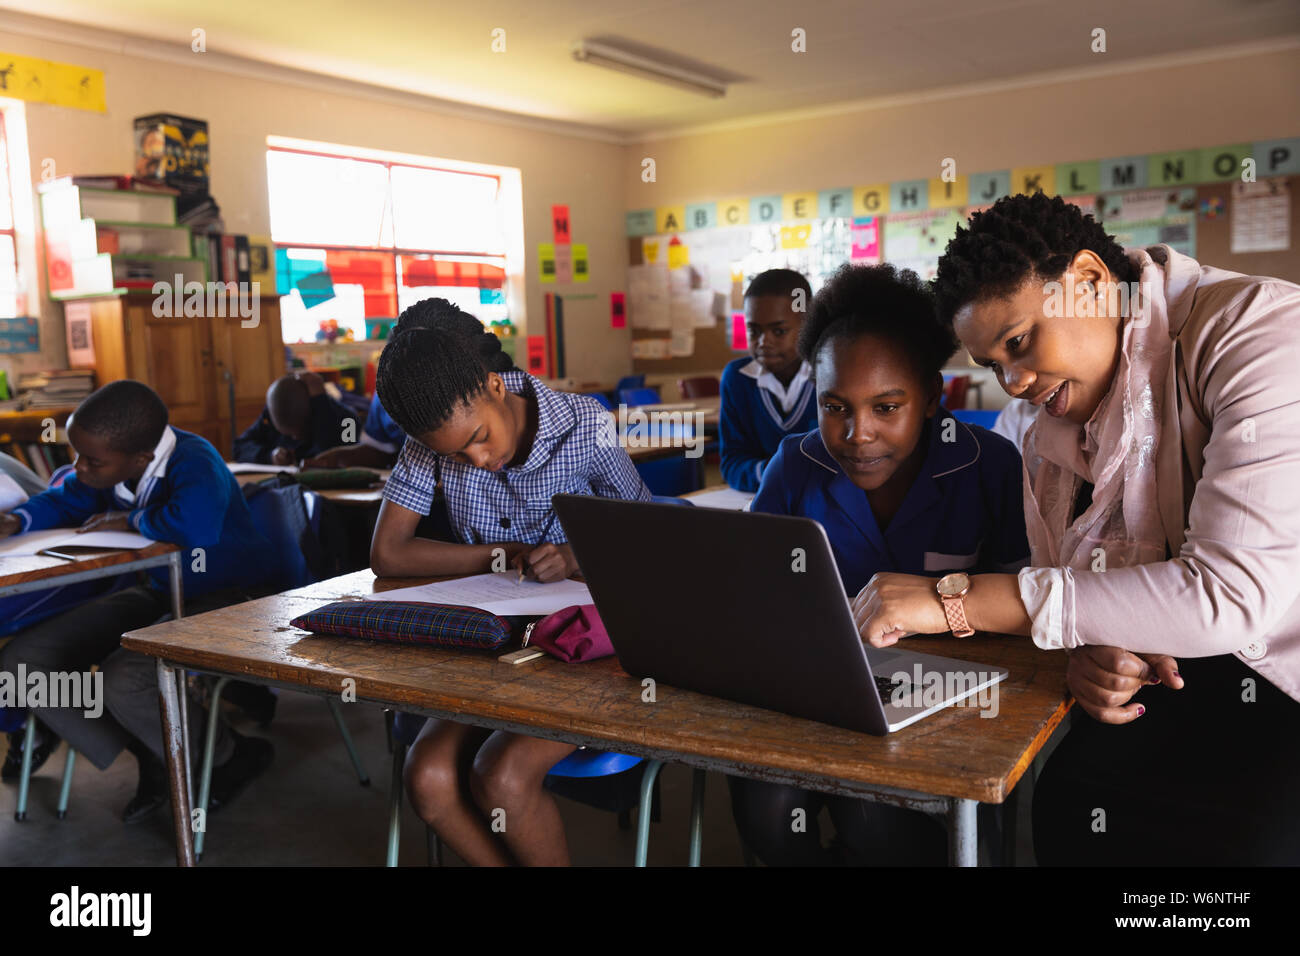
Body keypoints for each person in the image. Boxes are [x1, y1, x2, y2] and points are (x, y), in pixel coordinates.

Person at [852, 192, 1300, 865]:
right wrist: (1093, 653)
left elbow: (1230, 595)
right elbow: (1082, 596)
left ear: (1089, 281)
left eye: (1020, 342)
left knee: (1251, 847)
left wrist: (954, 601)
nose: (1015, 381)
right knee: (1070, 806)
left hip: (1282, 680)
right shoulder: (1051, 427)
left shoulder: (1255, 332)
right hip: (1173, 680)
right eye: (991, 365)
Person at [731, 263, 1029, 865]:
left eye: (887, 407)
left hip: (956, 702)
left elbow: (1029, 606)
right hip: (819, 696)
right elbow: (750, 592)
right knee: (764, 809)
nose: (856, 434)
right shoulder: (795, 465)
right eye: (834, 406)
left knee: (875, 822)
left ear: (931, 398)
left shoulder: (990, 466)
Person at [371, 298, 651, 865]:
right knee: (425, 776)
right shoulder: (436, 434)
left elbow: (648, 535)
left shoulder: (584, 424)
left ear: (496, 387)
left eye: (479, 437)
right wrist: (497, 555)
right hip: (494, 647)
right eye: (456, 452)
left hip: (579, 649)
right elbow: (388, 552)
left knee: (499, 776)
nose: (475, 459)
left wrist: (575, 556)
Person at [0, 381, 277, 822]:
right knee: (23, 664)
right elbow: (67, 497)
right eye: (78, 455)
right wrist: (17, 519)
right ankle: (153, 752)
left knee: (124, 677)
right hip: (160, 589)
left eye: (91, 460)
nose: (80, 467)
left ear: (141, 459)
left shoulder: (195, 460)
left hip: (231, 598)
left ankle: (229, 756)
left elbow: (195, 527)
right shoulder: (110, 464)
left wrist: (129, 519)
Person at [719, 269, 819, 492]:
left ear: (808, 325)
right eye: (753, 331)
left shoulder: (831, 374)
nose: (764, 342)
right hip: (763, 499)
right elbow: (731, 461)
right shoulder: (737, 378)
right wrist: (772, 472)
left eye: (779, 331)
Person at [233, 371, 356, 465]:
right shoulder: (274, 411)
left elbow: (340, 456)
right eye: (286, 433)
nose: (295, 438)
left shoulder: (347, 420)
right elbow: (239, 448)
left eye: (300, 430)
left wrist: (321, 405)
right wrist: (270, 456)